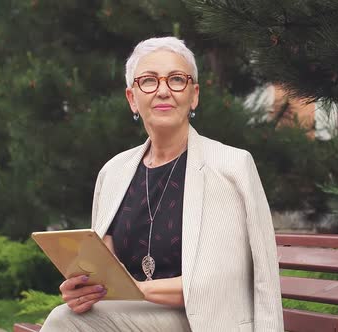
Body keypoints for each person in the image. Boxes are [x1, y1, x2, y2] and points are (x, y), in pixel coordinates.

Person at [41, 36, 284, 332]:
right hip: (133, 317)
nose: (164, 91)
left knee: (62, 322)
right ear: (132, 98)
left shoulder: (231, 167)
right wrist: (84, 290)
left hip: (203, 322)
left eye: (177, 80)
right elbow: (104, 266)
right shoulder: (114, 172)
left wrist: (139, 289)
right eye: (149, 81)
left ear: (194, 95)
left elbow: (224, 278)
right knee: (70, 315)